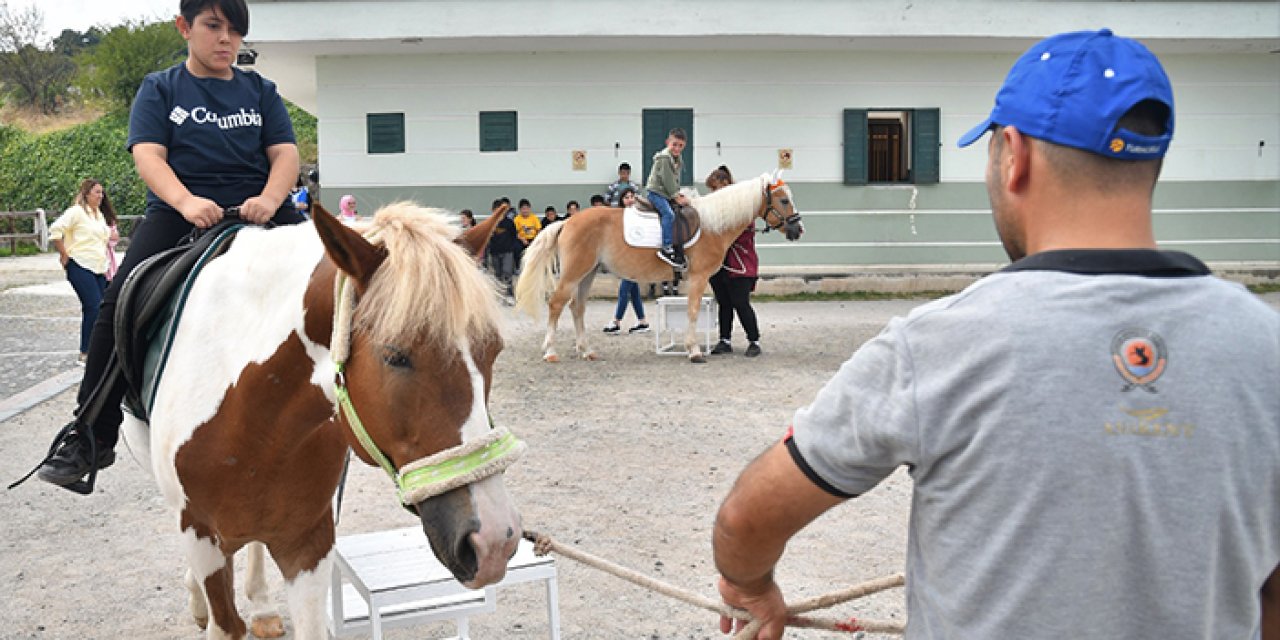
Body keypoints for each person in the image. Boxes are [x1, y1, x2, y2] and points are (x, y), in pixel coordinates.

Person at [712, 29, 1279, 639]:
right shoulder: (1264, 344)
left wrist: (751, 585)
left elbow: (748, 519)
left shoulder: (939, 343)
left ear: (1015, 155)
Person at [36, 0, 306, 490]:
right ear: (185, 27)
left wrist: (270, 197)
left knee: (343, 267)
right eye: (214, 26)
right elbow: (149, 155)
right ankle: (91, 435)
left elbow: (285, 153)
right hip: (178, 213)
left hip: (258, 206)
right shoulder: (160, 88)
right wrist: (184, 201)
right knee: (118, 302)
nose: (226, 39)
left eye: (236, 31)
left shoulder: (260, 91)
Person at [48, 179, 116, 363]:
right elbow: (55, 230)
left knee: (104, 308)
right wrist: (64, 254)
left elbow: (104, 237)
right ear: (87, 194)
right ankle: (85, 352)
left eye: (102, 193)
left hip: (99, 266)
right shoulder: (76, 212)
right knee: (92, 306)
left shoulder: (98, 215)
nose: (100, 196)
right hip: (79, 264)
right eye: (97, 192)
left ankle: (101, 349)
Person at [704, 166, 761, 358]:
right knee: (724, 302)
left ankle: (754, 340)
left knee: (740, 302)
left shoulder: (741, 207)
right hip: (720, 263)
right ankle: (724, 339)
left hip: (740, 263)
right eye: (712, 190)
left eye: (716, 189)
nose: (714, 194)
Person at [603, 188, 649, 335]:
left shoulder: (640, 217)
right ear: (621, 200)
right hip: (626, 257)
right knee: (633, 291)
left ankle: (616, 321)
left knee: (624, 290)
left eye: (632, 197)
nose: (630, 199)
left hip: (635, 258)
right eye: (626, 197)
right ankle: (642, 321)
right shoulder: (620, 218)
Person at [646, 127, 690, 270]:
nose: (677, 148)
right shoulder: (665, 158)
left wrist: (678, 193)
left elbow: (675, 180)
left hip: (665, 193)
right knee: (668, 214)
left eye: (680, 145)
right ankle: (666, 247)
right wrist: (675, 196)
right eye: (674, 144)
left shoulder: (677, 158)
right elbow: (667, 180)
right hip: (656, 193)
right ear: (667, 143)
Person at [486, 197, 519, 297]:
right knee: (498, 273)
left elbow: (514, 235)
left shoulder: (509, 223)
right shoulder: (490, 222)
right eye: (496, 209)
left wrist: (512, 248)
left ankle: (510, 293)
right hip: (495, 251)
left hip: (507, 251)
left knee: (507, 272)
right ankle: (500, 294)